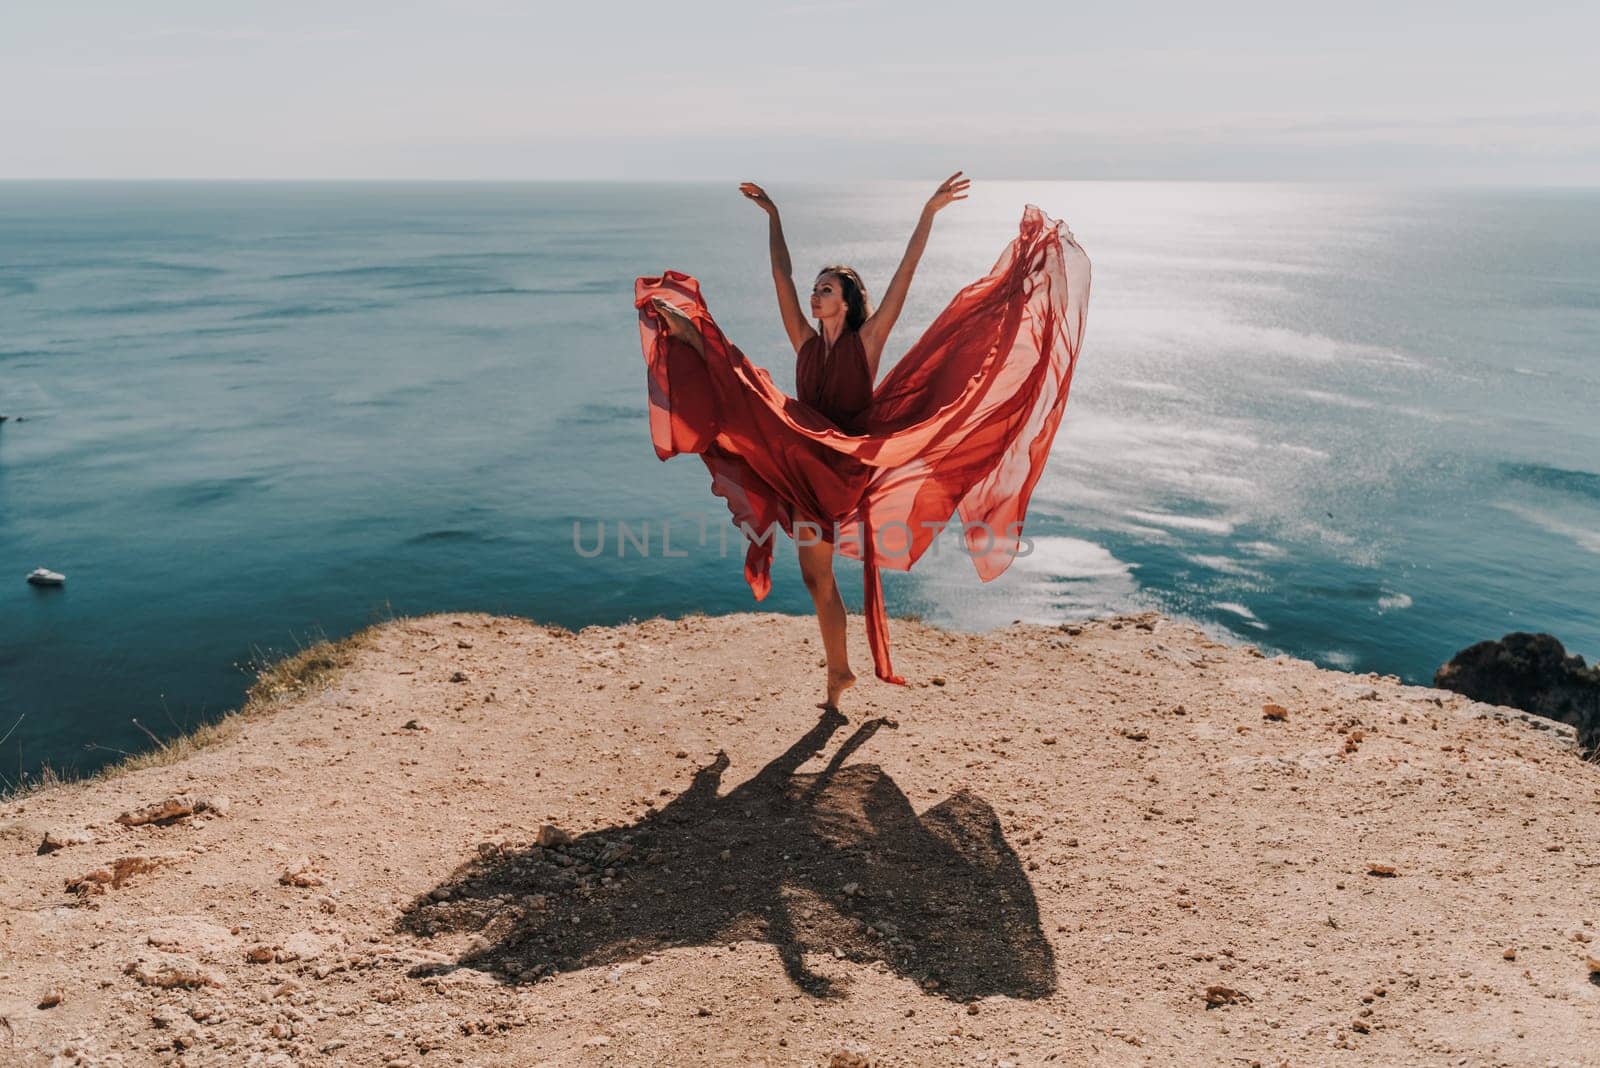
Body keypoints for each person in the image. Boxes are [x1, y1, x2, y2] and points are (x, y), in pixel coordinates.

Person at [636, 175, 1091, 714]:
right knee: (815, 577)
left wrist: (928, 212)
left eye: (827, 288)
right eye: (817, 287)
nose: (816, 293)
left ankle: (697, 338)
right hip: (803, 462)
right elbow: (780, 275)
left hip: (840, 467)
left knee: (754, 393)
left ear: (848, 303)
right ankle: (839, 674)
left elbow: (906, 272)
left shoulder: (867, 341)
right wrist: (774, 216)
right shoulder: (805, 342)